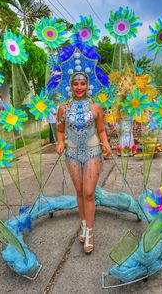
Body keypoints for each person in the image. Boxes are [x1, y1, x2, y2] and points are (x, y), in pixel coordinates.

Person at [56, 72, 111, 254]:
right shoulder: (63, 108)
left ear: (88, 85)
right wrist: (59, 143)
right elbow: (60, 130)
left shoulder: (96, 107)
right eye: (75, 84)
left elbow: (101, 130)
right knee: (79, 192)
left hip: (92, 152)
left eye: (82, 84)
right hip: (72, 153)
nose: (79, 87)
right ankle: (83, 225)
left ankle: (90, 232)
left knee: (89, 192)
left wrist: (107, 144)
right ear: (70, 86)